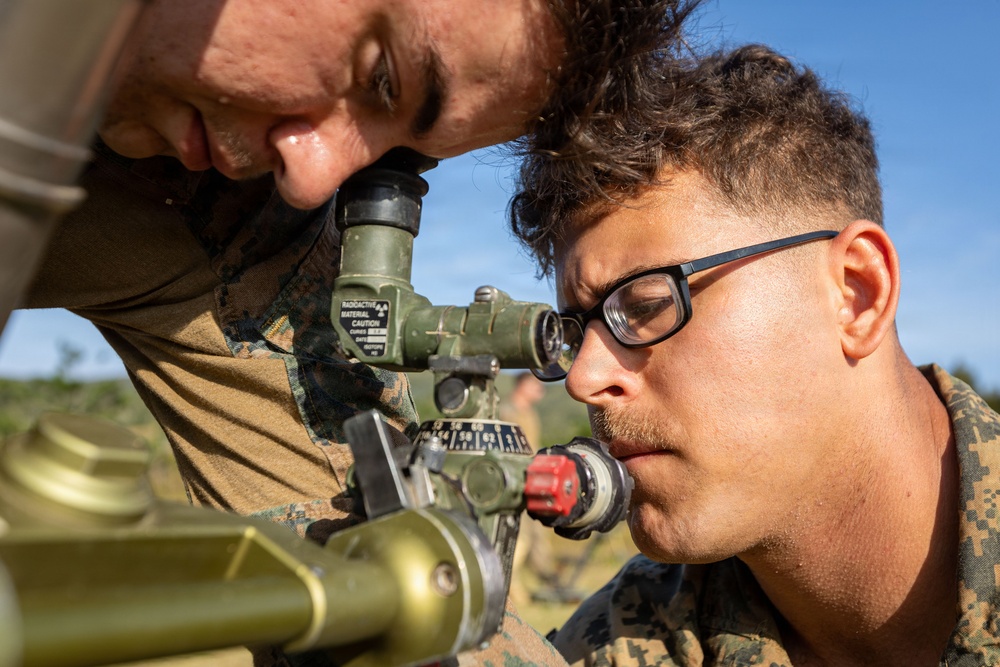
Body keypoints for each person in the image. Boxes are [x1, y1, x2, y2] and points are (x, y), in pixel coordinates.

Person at [10, 2, 699, 665]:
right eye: (380, 76)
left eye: (390, 159)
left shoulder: (221, 216)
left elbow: (392, 584)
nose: (312, 180)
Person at [509, 43, 1000, 665]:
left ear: (857, 294)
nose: (584, 378)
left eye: (645, 305)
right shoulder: (625, 638)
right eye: (579, 333)